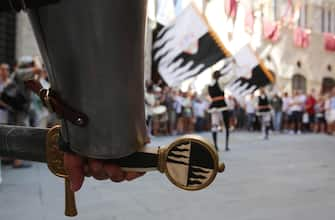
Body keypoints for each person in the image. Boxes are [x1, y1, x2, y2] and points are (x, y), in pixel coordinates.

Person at [207, 71, 231, 151]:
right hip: (222, 105)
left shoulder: (208, 85)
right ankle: (226, 146)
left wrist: (210, 101)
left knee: (214, 126)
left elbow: (202, 96)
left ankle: (216, 146)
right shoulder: (220, 81)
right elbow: (229, 79)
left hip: (213, 106)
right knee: (226, 125)